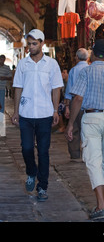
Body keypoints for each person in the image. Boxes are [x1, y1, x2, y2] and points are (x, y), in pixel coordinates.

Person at [65, 38, 104, 220]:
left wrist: (70, 124)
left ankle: (101, 206)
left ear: (92, 54)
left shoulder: (87, 71)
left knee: (93, 161)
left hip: (92, 117)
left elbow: (77, 99)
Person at [11, 29, 63, 201]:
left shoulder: (52, 64)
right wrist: (16, 111)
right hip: (26, 114)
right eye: (29, 44)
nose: (31, 47)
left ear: (42, 44)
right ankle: (31, 173)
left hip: (45, 114)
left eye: (34, 44)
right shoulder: (23, 64)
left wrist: (55, 110)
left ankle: (42, 187)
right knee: (26, 148)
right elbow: (18, 87)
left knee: (43, 151)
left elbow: (56, 88)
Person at [64, 48, 89, 161]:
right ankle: (87, 154)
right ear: (87, 58)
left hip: (76, 102)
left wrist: (67, 106)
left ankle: (75, 154)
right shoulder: (90, 69)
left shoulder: (74, 70)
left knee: (74, 128)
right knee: (87, 130)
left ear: (77, 57)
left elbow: (69, 90)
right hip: (89, 104)